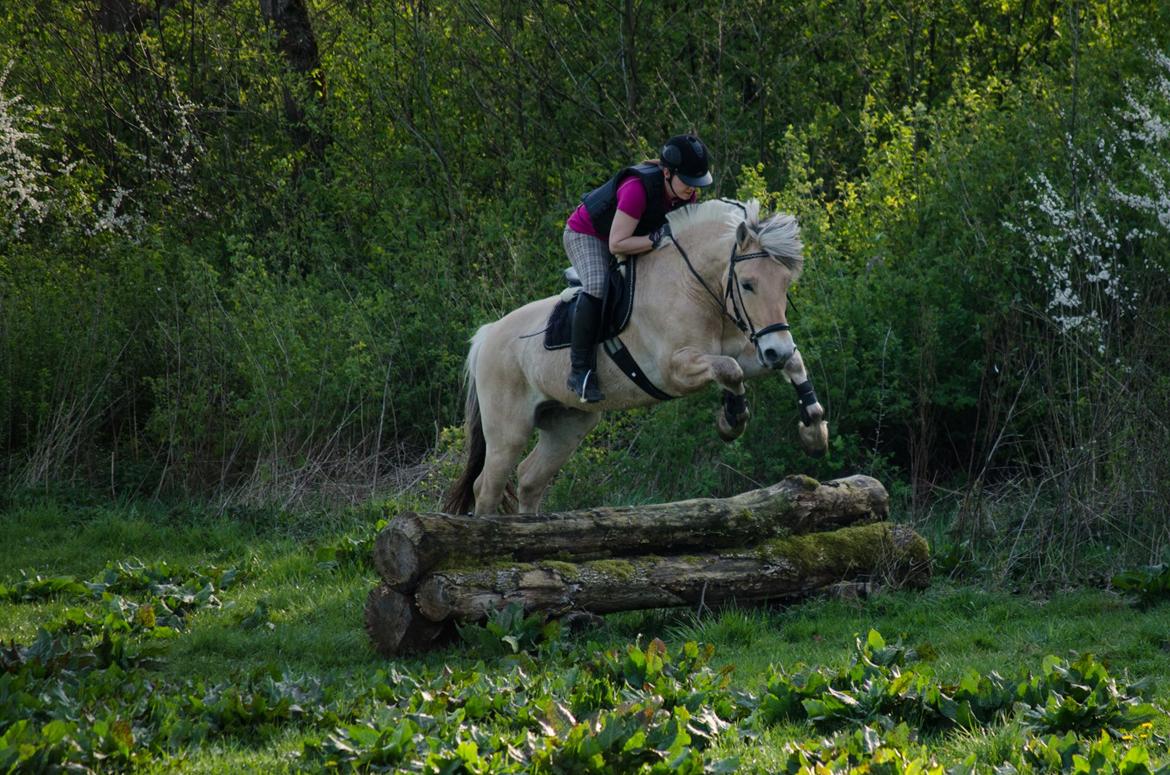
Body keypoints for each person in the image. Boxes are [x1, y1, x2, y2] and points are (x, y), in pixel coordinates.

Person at [563, 134, 714, 403]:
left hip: (631, 236)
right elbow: (617, 244)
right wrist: (656, 239)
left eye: (696, 182)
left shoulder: (685, 194)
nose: (693, 189)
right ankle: (580, 372)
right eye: (688, 181)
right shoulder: (637, 188)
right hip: (589, 235)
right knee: (598, 285)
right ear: (667, 173)